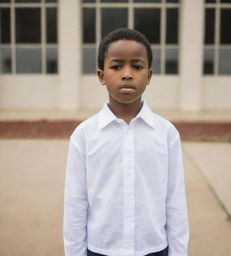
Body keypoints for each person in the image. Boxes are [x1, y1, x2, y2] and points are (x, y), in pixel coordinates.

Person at [63, 28, 189, 256]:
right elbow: (75, 204)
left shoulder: (166, 133)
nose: (127, 74)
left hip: (154, 249)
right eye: (117, 66)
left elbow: (175, 200)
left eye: (137, 66)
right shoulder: (84, 135)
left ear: (149, 75)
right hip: (101, 250)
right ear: (102, 76)